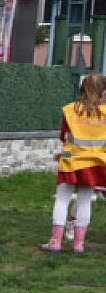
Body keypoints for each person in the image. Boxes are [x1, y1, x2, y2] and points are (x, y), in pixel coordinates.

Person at [43, 73, 105, 253]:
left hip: (72, 162)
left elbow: (64, 136)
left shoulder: (71, 110)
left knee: (62, 199)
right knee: (85, 201)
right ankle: (78, 244)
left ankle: (56, 241)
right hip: (95, 164)